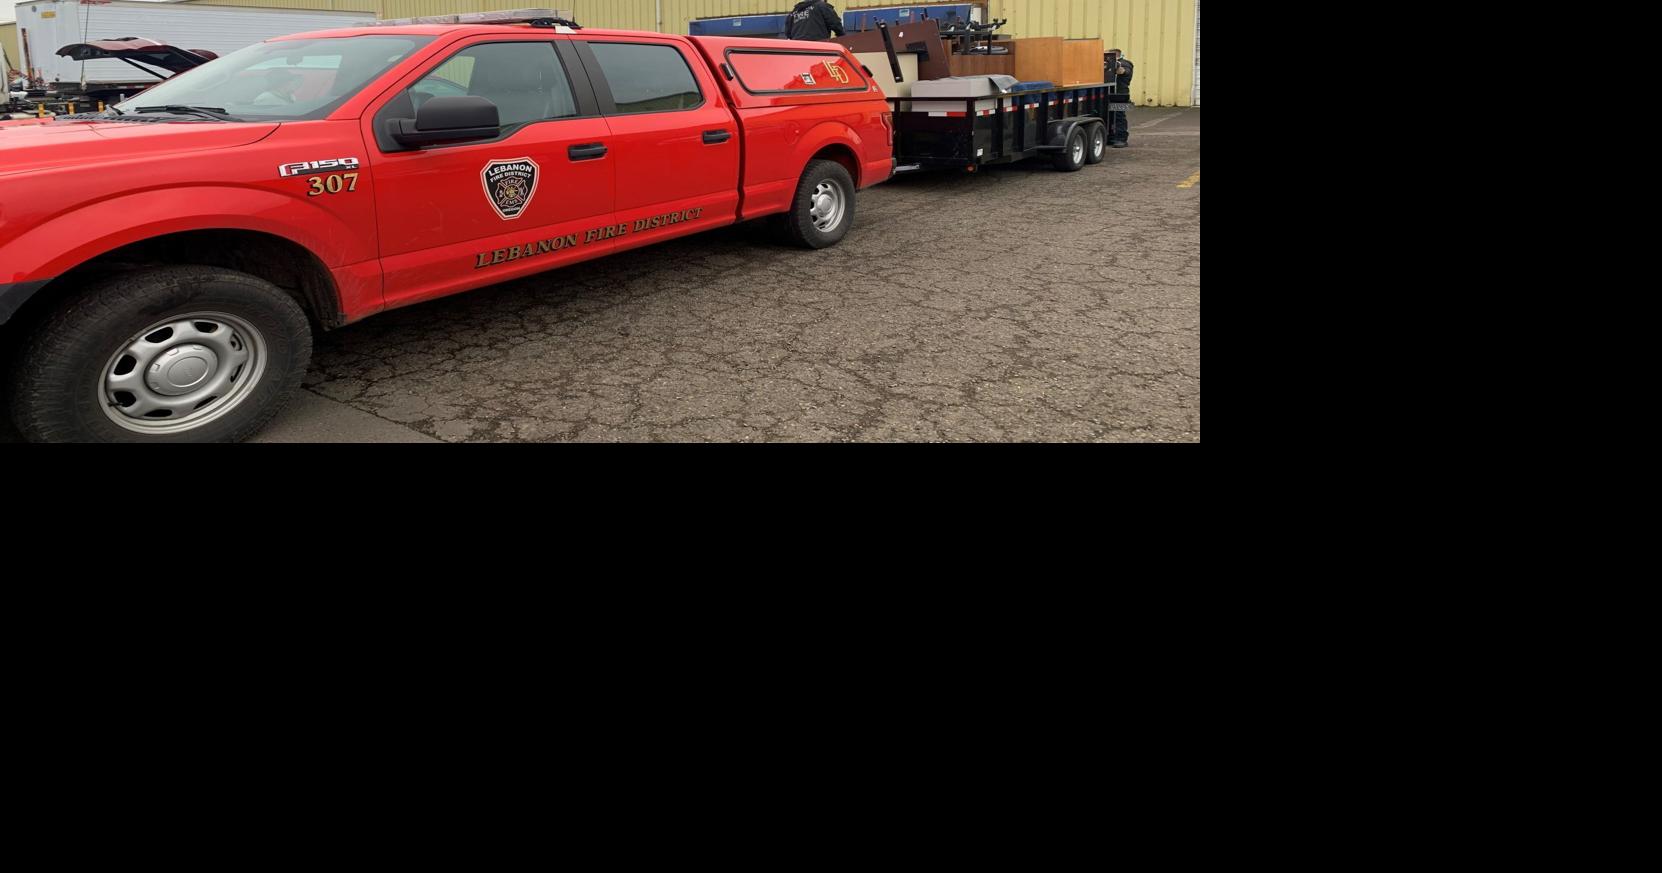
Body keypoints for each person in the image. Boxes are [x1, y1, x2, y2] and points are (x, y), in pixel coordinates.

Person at [1106, 49, 1134, 148]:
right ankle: (1111, 138)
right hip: (1111, 94)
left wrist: (1117, 67)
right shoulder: (1109, 64)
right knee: (1109, 116)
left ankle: (1121, 139)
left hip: (1121, 95)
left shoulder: (1125, 63)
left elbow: (1124, 71)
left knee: (1119, 116)